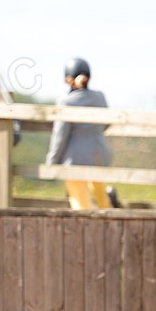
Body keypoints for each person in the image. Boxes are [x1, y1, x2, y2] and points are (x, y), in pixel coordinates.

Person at [45, 58, 114, 210]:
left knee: (80, 204)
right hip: (99, 155)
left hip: (75, 157)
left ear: (68, 79)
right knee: (103, 201)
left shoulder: (66, 101)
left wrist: (52, 161)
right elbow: (107, 122)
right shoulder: (99, 97)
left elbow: (60, 136)